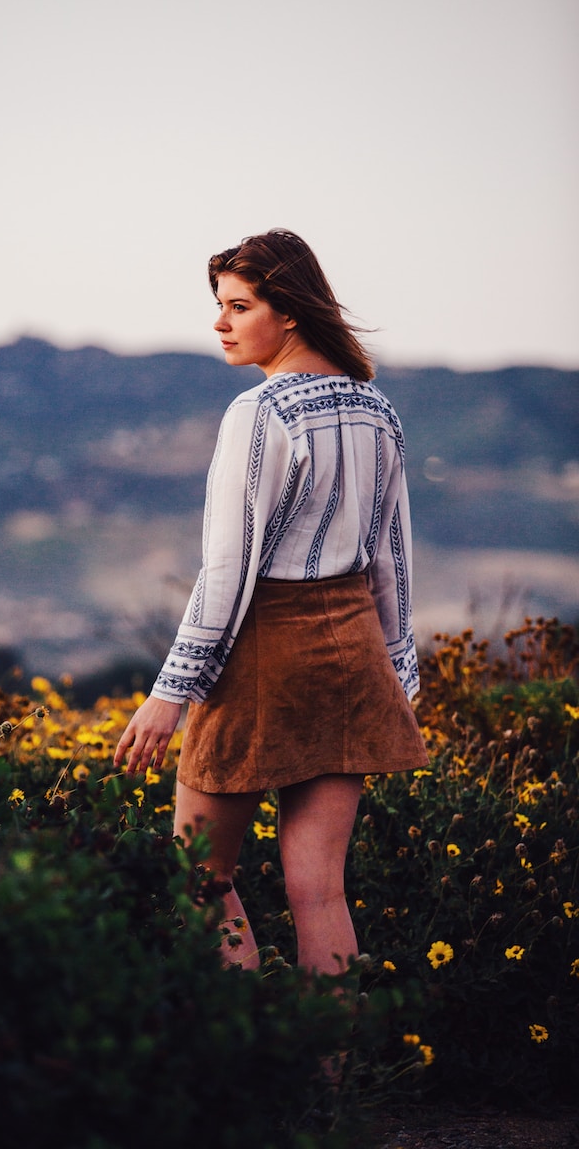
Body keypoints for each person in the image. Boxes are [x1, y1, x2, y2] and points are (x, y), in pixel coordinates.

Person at [113, 228, 428, 978]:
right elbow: (391, 557)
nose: (220, 323)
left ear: (287, 310)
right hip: (352, 655)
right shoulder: (375, 408)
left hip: (266, 656)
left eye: (238, 305)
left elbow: (227, 569)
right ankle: (331, 1089)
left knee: (199, 879)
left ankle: (248, 1072)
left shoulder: (260, 414)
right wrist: (399, 672)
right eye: (218, 305)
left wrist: (170, 694)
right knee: (320, 891)